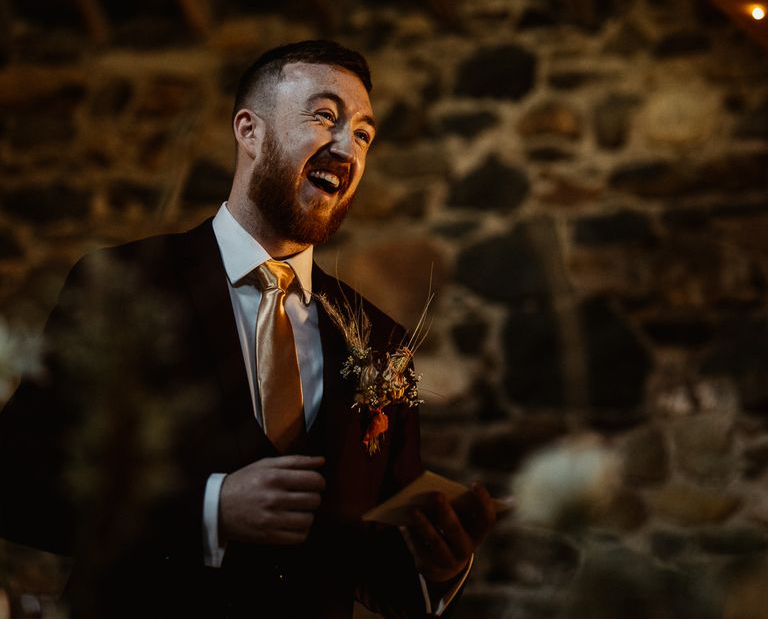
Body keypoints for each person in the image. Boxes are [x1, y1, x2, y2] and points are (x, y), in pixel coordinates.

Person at [0, 40, 497, 618]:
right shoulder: (124, 286)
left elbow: (372, 563)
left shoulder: (382, 345)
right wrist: (210, 509)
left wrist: (437, 567)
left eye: (363, 134)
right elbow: (17, 484)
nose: (347, 147)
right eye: (324, 116)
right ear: (249, 131)